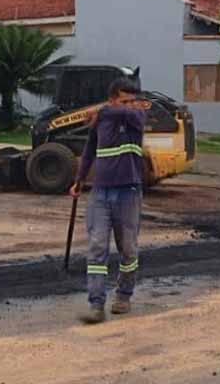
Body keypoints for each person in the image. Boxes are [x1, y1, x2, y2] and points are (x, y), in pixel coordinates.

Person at [70, 76, 147, 324]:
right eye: (126, 100)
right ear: (114, 98)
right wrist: (79, 179)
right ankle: (96, 304)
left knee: (128, 249)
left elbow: (128, 114)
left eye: (135, 101)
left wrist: (101, 110)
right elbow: (90, 150)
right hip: (101, 193)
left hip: (129, 192)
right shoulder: (102, 121)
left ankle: (123, 296)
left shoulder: (136, 117)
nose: (132, 105)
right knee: (96, 248)